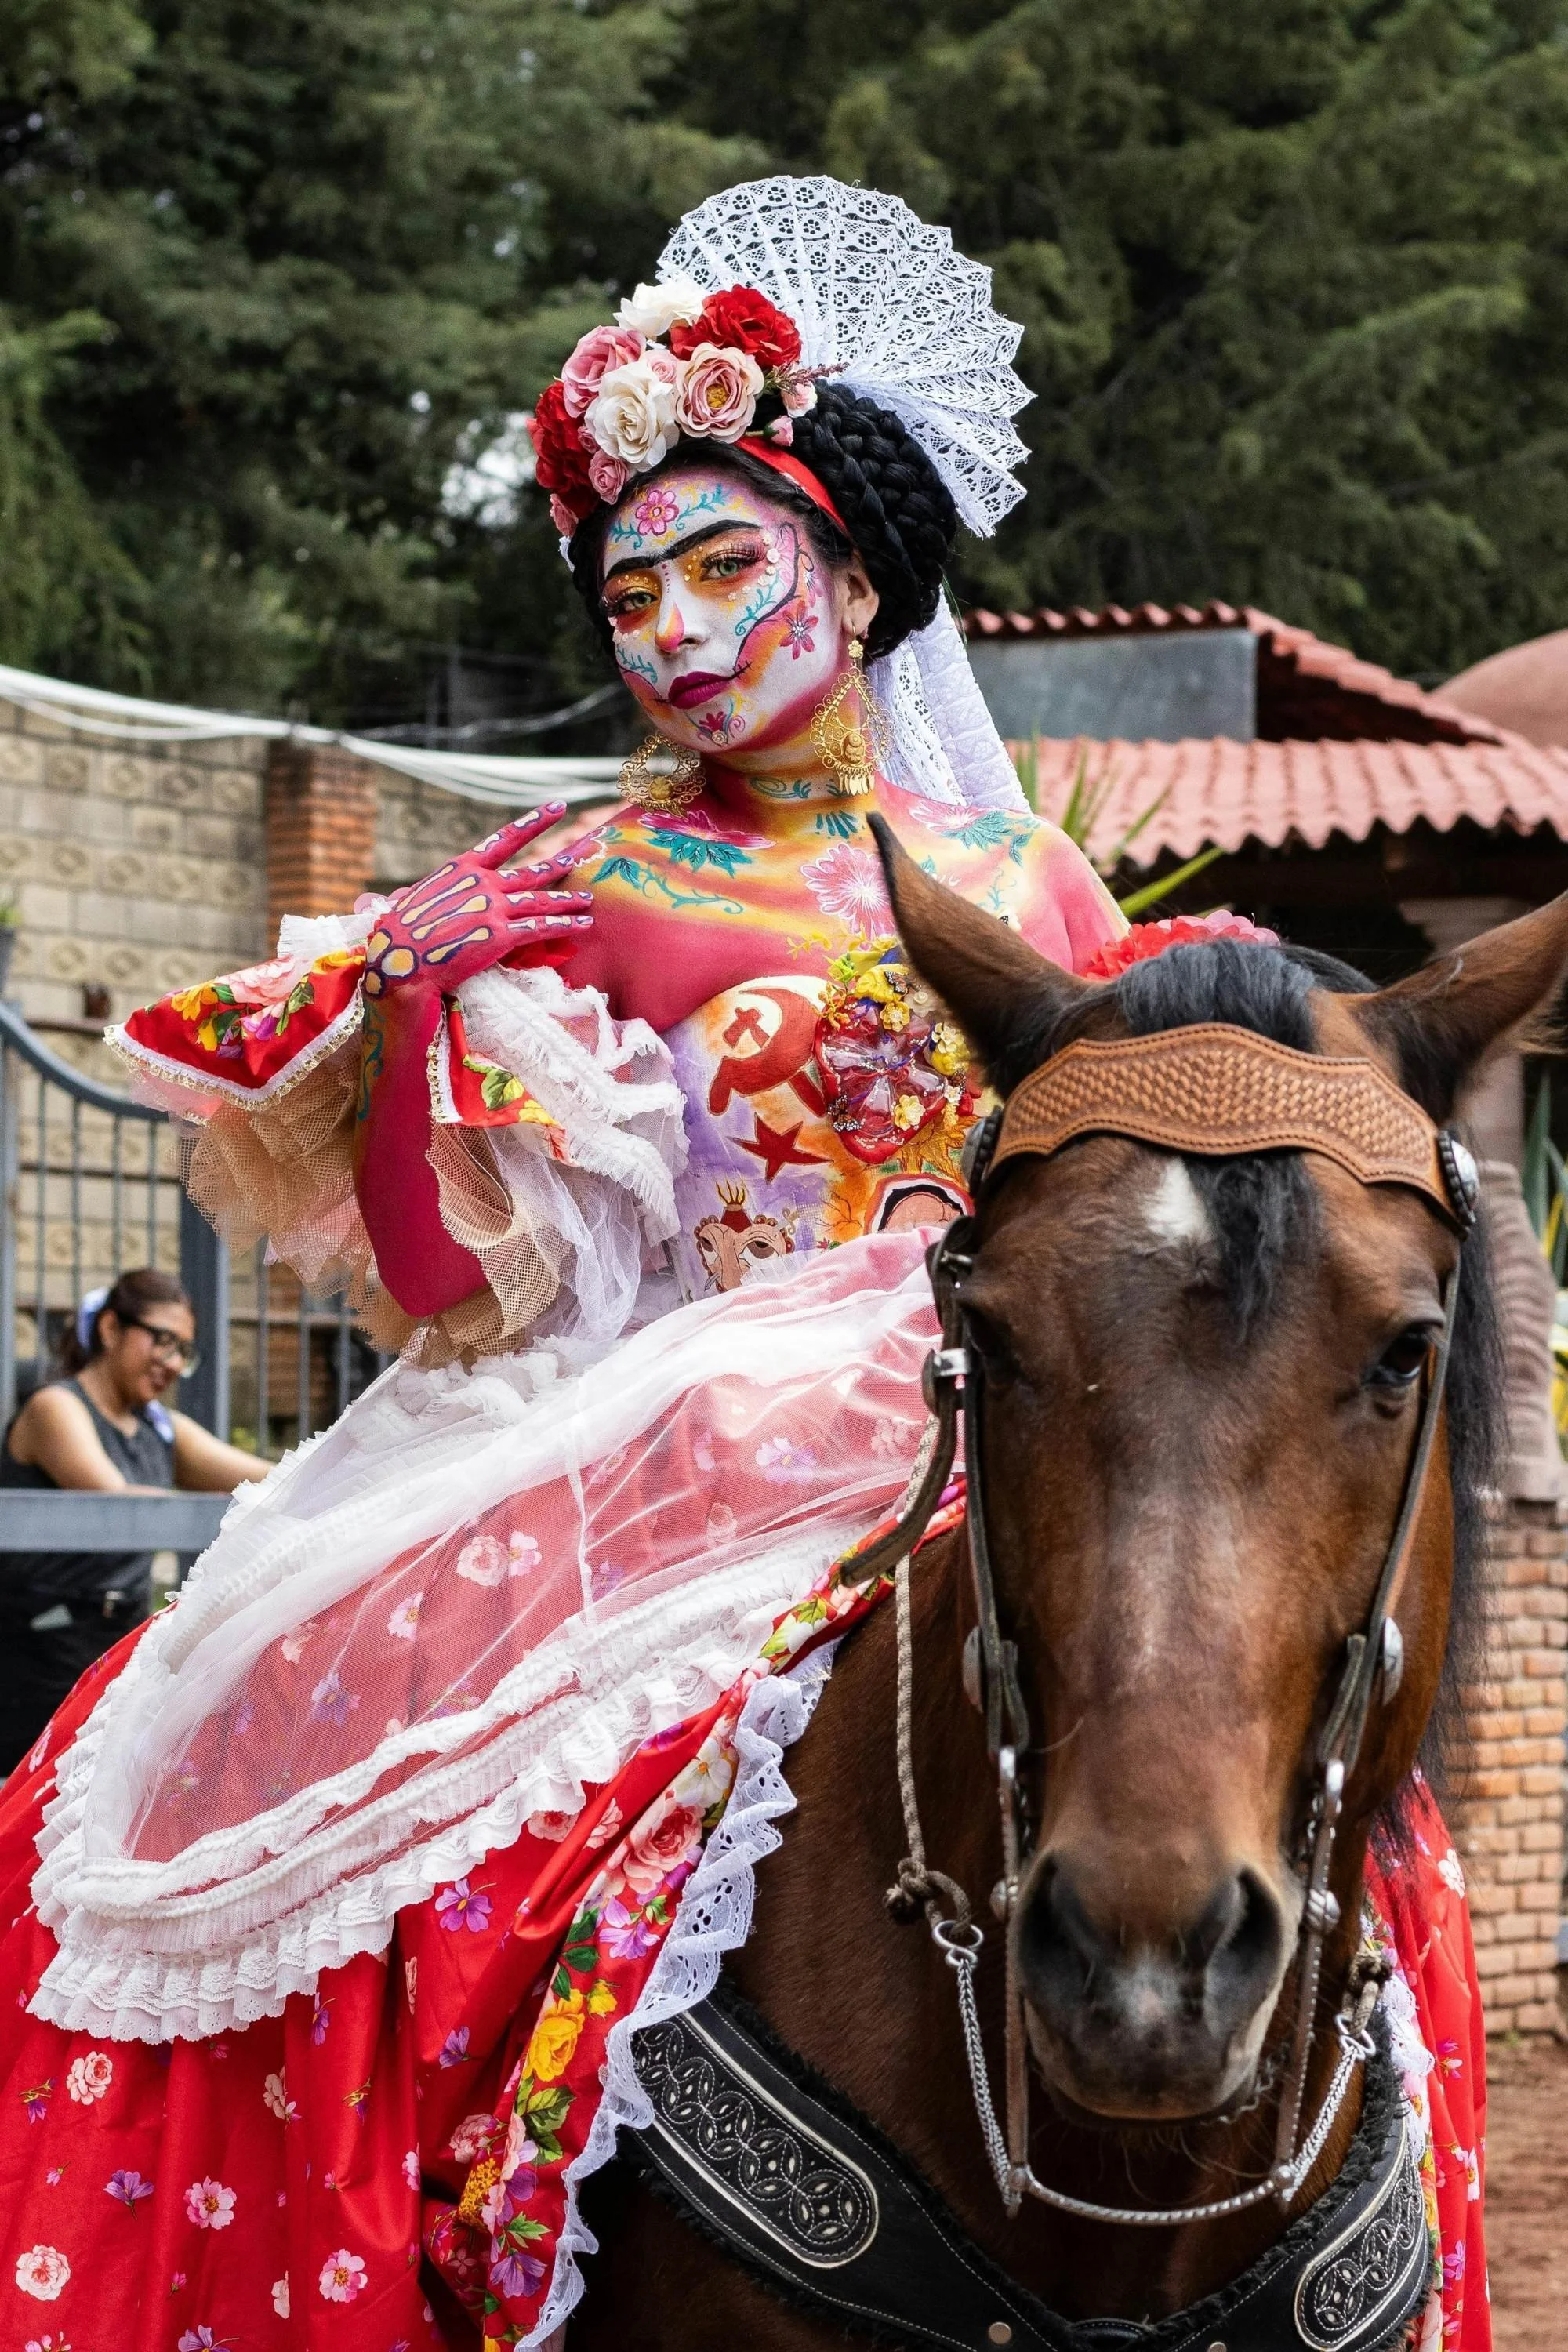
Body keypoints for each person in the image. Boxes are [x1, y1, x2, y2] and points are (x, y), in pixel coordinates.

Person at [0, 177, 1484, 2352]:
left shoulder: (1039, 881)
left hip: (1017, 1380)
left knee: (1328, 1754)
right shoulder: (576, 876)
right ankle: (422, 2223)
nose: (678, 628)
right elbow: (452, 1296)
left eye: (726, 566)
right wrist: (415, 1021)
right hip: (673, 1419)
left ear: (858, 573)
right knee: (341, 1793)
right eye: (630, 591)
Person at [0, 1268, 267, 1771]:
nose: (170, 1362)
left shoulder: (160, 1428)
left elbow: (265, 1476)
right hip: (42, 1646)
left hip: (117, 1641)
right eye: (162, 1340)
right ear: (110, 1330)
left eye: (182, 1351)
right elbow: (112, 1498)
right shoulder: (56, 1407)